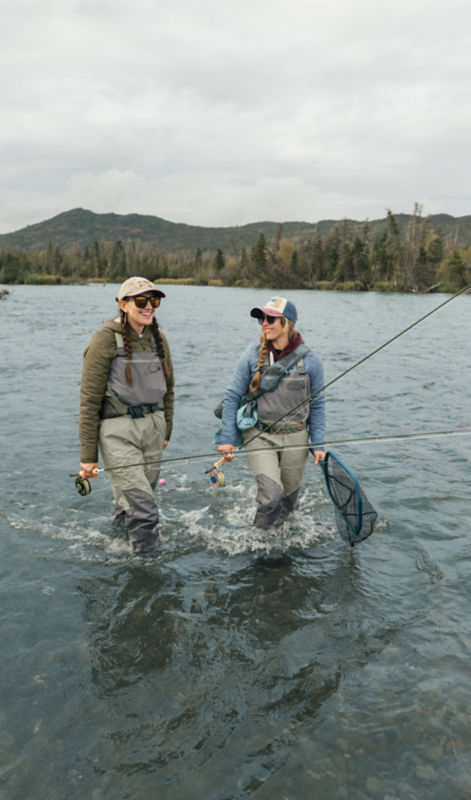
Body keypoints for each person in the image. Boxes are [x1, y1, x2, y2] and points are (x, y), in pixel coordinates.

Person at [79, 277, 174, 552]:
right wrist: (88, 456)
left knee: (135, 503)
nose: (149, 307)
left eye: (153, 300)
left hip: (154, 430)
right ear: (123, 304)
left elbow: (170, 391)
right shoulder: (104, 339)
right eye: (141, 301)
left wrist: (166, 430)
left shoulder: (159, 339)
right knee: (145, 510)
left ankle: (116, 544)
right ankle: (147, 566)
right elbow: (89, 400)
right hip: (117, 433)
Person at [217, 296, 325, 529]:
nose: (264, 323)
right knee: (271, 498)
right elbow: (233, 397)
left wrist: (318, 444)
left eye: (270, 318)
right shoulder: (251, 354)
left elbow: (317, 404)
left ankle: (280, 547)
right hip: (260, 435)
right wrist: (228, 440)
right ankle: (259, 543)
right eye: (261, 318)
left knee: (288, 504)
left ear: (287, 322)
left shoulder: (311, 360)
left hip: (296, 437)